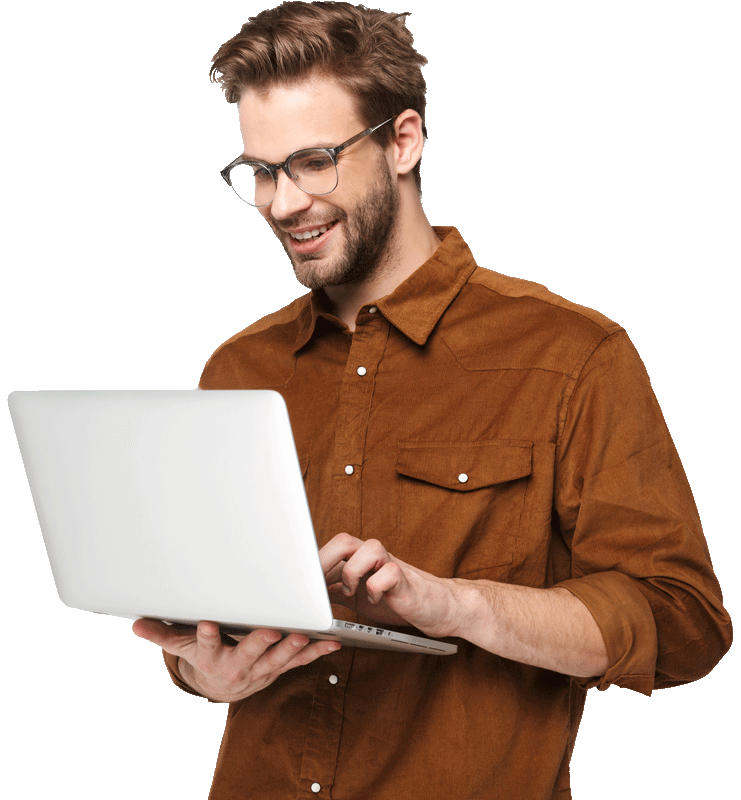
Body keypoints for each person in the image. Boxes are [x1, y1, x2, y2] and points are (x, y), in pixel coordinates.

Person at [132, 4, 732, 798]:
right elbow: (203, 632)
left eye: (313, 161)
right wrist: (208, 672)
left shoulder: (572, 356)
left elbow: (680, 625)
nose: (281, 203)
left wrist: (454, 605)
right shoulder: (237, 368)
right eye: (261, 172)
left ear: (403, 140)